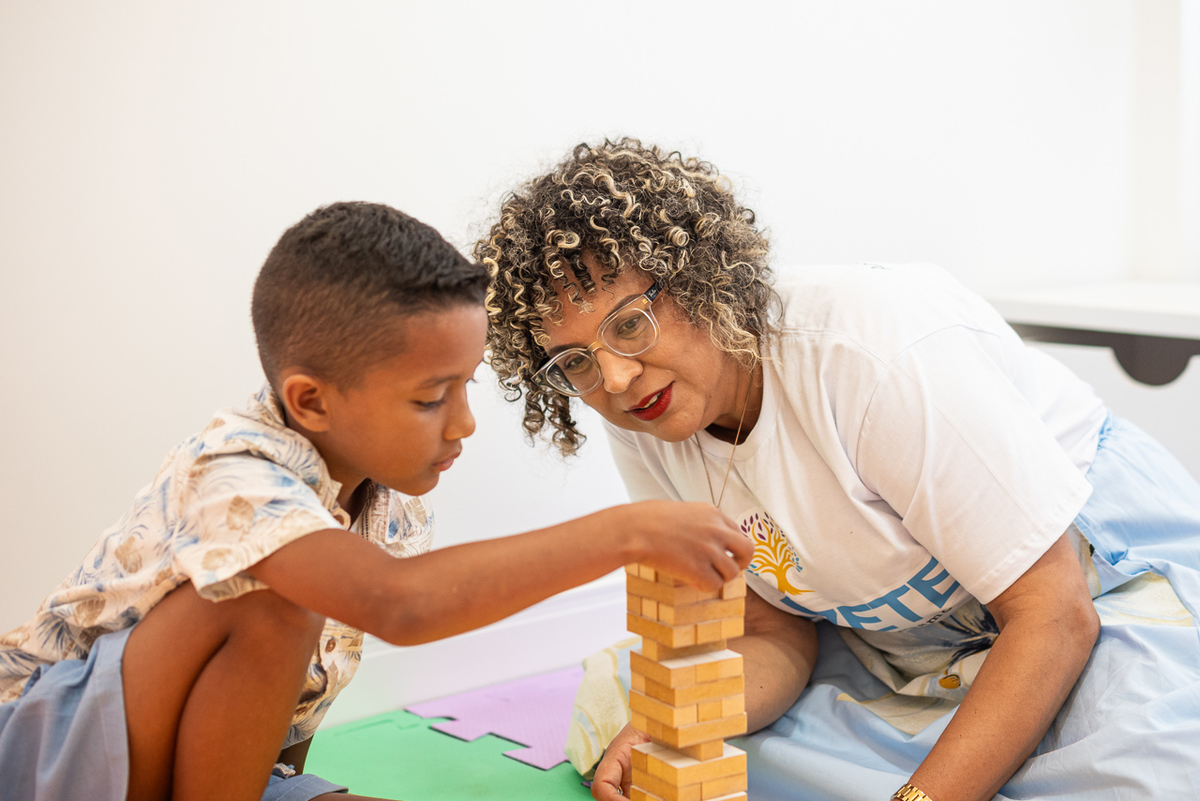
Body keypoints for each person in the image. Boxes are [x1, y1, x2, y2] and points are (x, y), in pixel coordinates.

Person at [477, 139, 1200, 800]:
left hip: (1085, 580)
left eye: (629, 322)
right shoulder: (650, 410)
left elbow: (1054, 615)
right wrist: (678, 727)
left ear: (697, 279)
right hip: (906, 634)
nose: (616, 377)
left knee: (1148, 777)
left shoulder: (864, 354)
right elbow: (772, 628)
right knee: (633, 715)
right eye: (574, 362)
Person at [0, 201, 754, 801]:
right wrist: (627, 532)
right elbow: (397, 605)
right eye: (432, 398)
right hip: (43, 750)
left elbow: (289, 697)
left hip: (194, 766)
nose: (463, 423)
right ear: (312, 401)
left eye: (464, 387)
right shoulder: (233, 471)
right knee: (272, 600)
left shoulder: (385, 499)